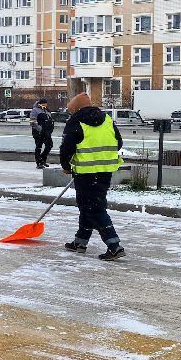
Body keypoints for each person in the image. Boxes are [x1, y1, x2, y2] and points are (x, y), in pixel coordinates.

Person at [58, 92, 125, 260]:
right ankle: (80, 242)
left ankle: (114, 245)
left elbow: (66, 148)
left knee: (93, 208)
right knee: (88, 205)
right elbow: (119, 142)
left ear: (76, 109)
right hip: (105, 170)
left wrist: (66, 166)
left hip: (86, 173)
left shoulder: (75, 122)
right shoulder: (107, 119)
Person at [29, 98, 54, 168]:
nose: (45, 104)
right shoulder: (35, 110)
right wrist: (40, 129)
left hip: (47, 132)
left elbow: (50, 120)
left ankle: (43, 159)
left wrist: (50, 129)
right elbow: (32, 122)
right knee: (39, 146)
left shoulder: (47, 110)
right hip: (38, 132)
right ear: (40, 103)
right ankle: (38, 162)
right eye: (44, 103)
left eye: (46, 103)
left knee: (49, 145)